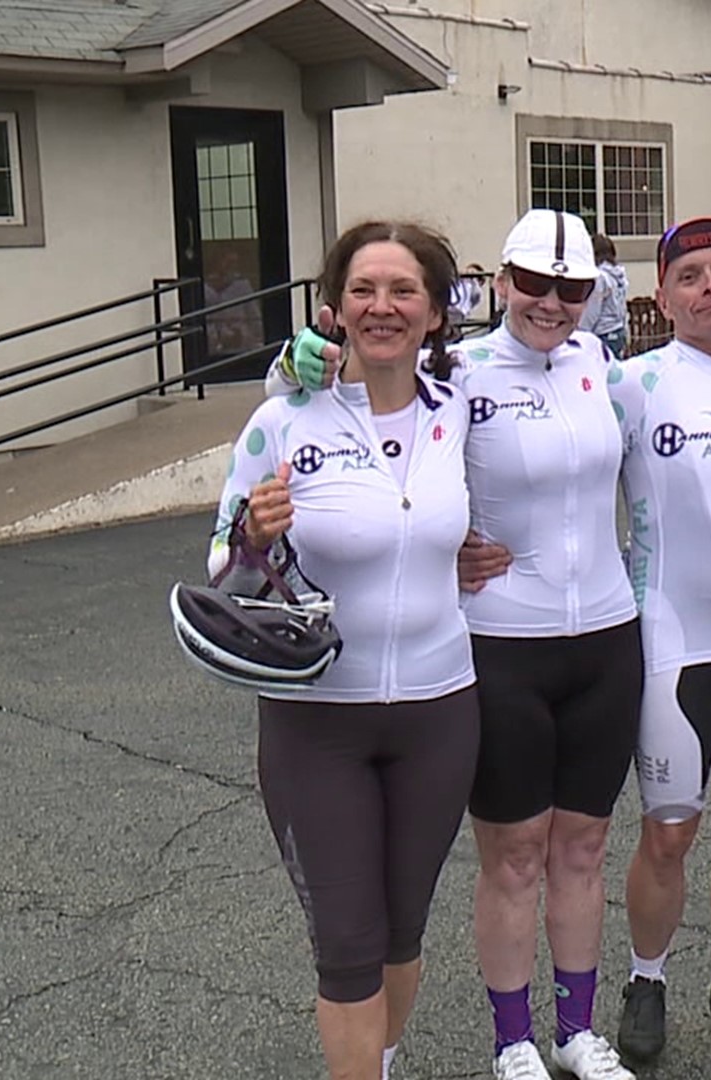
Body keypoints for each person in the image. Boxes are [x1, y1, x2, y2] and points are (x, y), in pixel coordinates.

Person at [276, 209, 642, 1080]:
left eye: (571, 288)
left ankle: (576, 1031)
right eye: (534, 284)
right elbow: (351, 383)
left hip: (606, 636)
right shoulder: (460, 371)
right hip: (503, 643)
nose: (551, 303)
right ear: (501, 284)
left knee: (585, 846)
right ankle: (512, 1041)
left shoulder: (607, 367)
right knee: (515, 853)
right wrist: (291, 358)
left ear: (594, 296)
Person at [459, 218, 711, 1065]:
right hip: (668, 641)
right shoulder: (626, 382)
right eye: (690, 276)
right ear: (661, 297)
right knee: (666, 831)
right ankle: (644, 982)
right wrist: (451, 541)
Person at [212, 220, 480, 1080]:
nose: (383, 307)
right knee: (348, 945)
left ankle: (381, 1062)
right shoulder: (284, 418)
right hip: (316, 723)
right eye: (363, 290)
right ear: (333, 309)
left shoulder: (460, 410)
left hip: (440, 712)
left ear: (435, 312)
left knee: (404, 930)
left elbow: (550, 359)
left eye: (404, 291)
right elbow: (223, 571)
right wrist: (253, 536)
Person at [589, 234, 630, 358]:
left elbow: (592, 310)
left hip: (602, 333)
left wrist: (581, 332)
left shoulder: (600, 278)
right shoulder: (619, 276)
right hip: (618, 330)